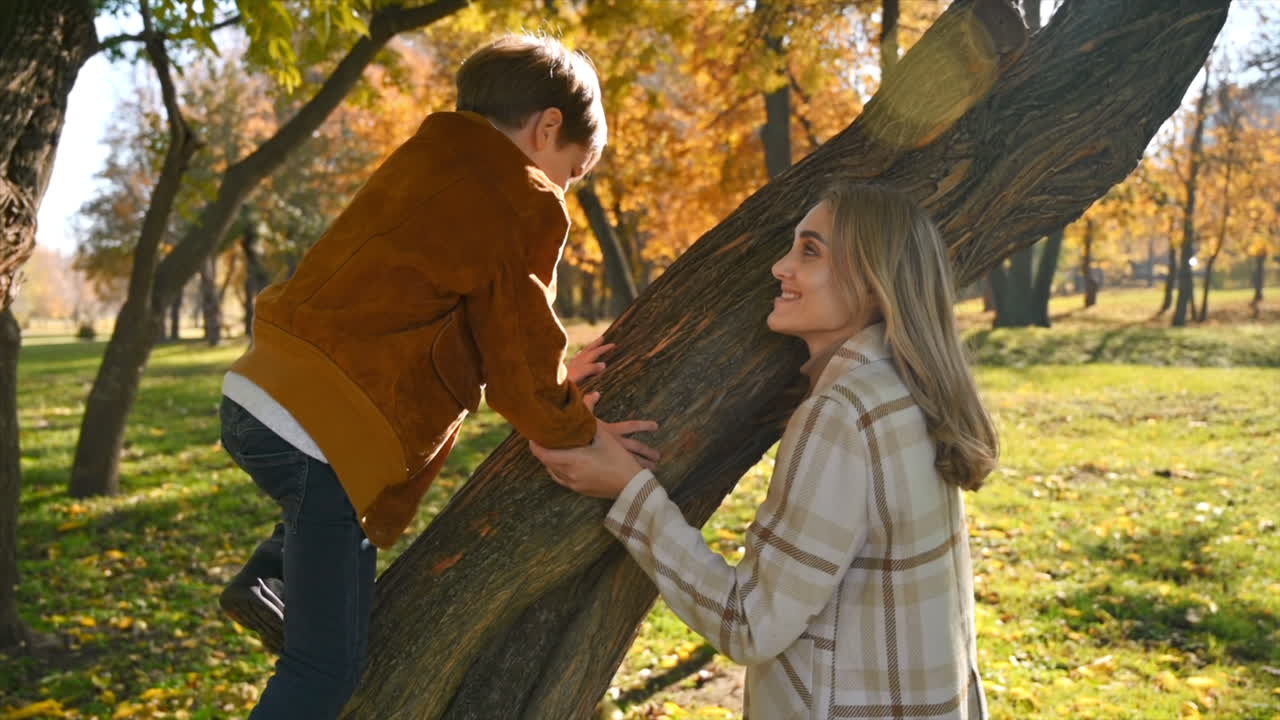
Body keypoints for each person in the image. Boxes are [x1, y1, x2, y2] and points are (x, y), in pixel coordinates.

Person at [217, 34, 658, 718]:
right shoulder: (521, 196)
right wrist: (577, 425)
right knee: (322, 671)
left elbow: (446, 320)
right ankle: (281, 570)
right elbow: (518, 355)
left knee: (333, 528)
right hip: (321, 435)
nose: (565, 187)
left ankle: (272, 568)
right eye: (574, 170)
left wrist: (554, 371)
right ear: (547, 130)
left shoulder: (424, 162)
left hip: (257, 394)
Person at [532, 183, 998, 719]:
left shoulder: (842, 414)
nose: (779, 267)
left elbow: (750, 624)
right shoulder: (904, 392)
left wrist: (628, 491)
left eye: (810, 250)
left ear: (872, 283)